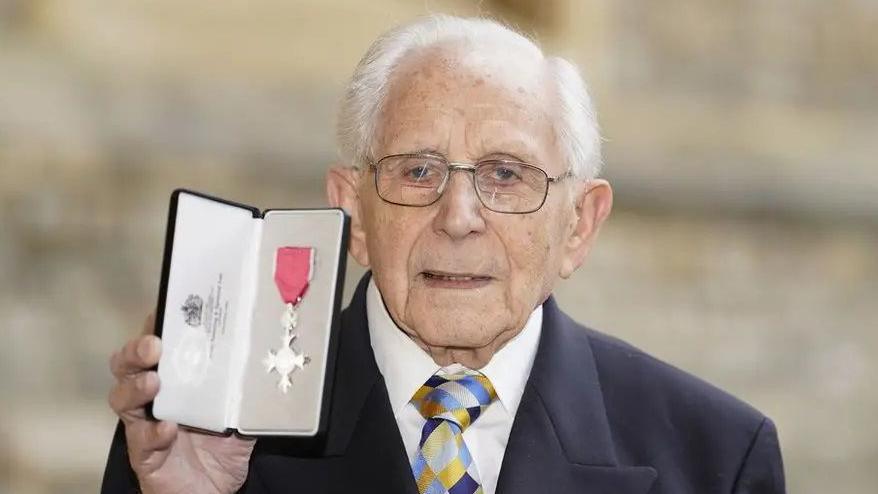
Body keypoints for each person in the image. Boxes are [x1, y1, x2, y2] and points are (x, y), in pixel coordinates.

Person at [102, 14, 785, 494]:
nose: (459, 219)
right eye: (418, 172)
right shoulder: (208, 433)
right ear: (353, 213)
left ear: (579, 224)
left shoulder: (715, 458)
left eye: (507, 175)